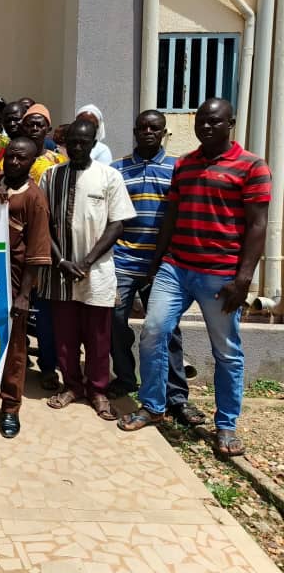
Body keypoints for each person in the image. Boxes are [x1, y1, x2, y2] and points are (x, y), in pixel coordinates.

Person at [120, 99, 270, 457]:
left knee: (226, 351)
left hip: (221, 275)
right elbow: (171, 216)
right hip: (176, 267)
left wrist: (244, 279)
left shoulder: (252, 166)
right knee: (153, 331)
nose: (205, 127)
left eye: (214, 121)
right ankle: (153, 406)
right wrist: (157, 262)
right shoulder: (184, 165)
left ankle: (226, 425)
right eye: (201, 121)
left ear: (230, 123)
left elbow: (258, 224)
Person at [107, 111, 203, 425]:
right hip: (123, 262)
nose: (148, 132)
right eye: (142, 127)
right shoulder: (117, 169)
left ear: (164, 132)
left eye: (154, 127)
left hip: (163, 265)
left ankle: (177, 397)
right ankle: (125, 378)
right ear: (134, 131)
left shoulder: (178, 168)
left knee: (167, 331)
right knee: (115, 323)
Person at [39, 119, 135, 422]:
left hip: (97, 270)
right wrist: (61, 261)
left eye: (84, 142)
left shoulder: (109, 176)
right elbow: (43, 223)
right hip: (60, 271)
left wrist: (87, 261)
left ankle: (97, 390)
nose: (77, 147)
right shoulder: (51, 176)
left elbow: (117, 224)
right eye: (73, 142)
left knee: (98, 337)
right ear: (65, 144)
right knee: (65, 336)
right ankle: (71, 385)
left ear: (94, 143)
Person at [0, 137, 51, 438]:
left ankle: (10, 406)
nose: (15, 162)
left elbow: (37, 252)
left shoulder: (34, 198)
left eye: (22, 158)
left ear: (32, 162)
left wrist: (24, 295)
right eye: (11, 156)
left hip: (12, 278)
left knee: (13, 343)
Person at [10, 103, 66, 390]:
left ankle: (47, 366)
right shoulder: (9, 158)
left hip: (48, 243)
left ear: (48, 129)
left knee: (43, 312)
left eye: (39, 124)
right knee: (16, 310)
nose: (34, 128)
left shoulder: (58, 162)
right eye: (29, 124)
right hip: (14, 248)